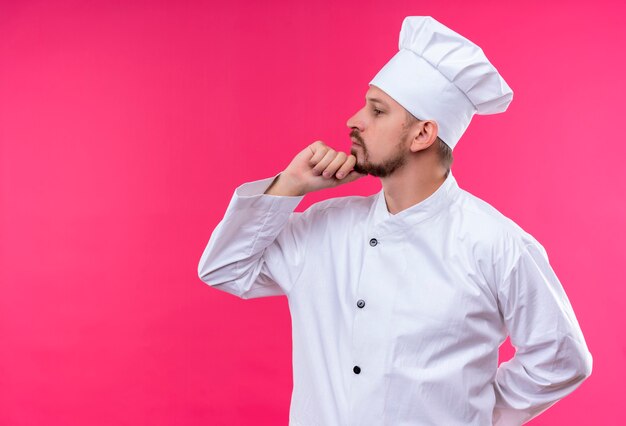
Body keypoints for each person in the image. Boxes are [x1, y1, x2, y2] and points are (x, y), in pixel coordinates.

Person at [197, 16, 592, 425]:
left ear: (422, 134)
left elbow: (560, 361)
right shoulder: (325, 228)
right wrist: (290, 184)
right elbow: (226, 269)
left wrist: (467, 412)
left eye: (377, 110)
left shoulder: (494, 243)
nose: (354, 120)